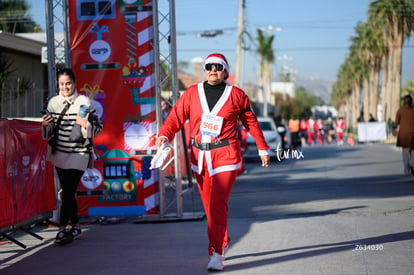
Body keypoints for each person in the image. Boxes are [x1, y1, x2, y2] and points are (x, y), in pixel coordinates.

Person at [155, 53, 270, 271]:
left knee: (217, 203)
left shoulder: (236, 95)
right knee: (209, 207)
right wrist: (164, 135)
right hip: (200, 158)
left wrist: (263, 147)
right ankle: (222, 238)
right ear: (204, 70)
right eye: (208, 66)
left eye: (218, 66)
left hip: (226, 156)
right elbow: (175, 118)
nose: (212, 70)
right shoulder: (191, 94)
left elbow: (251, 122)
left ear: (225, 71)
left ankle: (216, 252)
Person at [42, 68, 103, 245]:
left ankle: (62, 229)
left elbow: (98, 127)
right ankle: (75, 226)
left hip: (79, 154)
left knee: (68, 191)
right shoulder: (53, 103)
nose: (65, 87)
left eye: (68, 83)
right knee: (69, 192)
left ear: (74, 84)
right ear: (58, 85)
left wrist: (86, 125)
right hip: (59, 154)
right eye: (61, 84)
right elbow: (49, 132)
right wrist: (46, 125)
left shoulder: (83, 101)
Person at [395, 94, 414, 175]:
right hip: (413, 135)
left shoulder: (400, 110)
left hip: (404, 136)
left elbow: (396, 122)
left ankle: (407, 170)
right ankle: (412, 164)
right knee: (413, 152)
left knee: (405, 152)